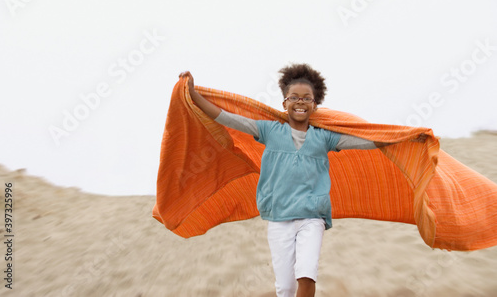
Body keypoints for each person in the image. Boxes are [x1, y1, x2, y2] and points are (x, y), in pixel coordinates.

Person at [179, 64, 425, 297]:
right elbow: (226, 117)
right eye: (294, 97)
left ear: (314, 104)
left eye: (306, 98)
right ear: (284, 102)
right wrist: (192, 94)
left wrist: (407, 137)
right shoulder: (269, 131)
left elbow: (367, 141)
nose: (300, 102)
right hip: (279, 218)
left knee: (306, 275)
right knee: (285, 288)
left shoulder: (324, 138)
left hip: (312, 217)